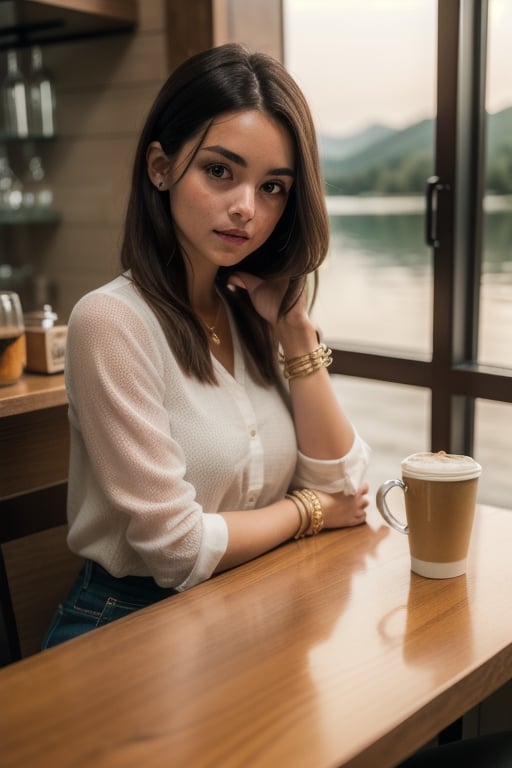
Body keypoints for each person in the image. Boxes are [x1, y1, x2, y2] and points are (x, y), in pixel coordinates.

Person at [42, 42, 371, 649]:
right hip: (124, 627)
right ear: (160, 167)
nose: (247, 208)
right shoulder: (111, 323)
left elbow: (347, 480)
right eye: (220, 171)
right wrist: (310, 512)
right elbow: (178, 549)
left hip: (248, 610)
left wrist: (296, 333)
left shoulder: (251, 310)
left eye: (273, 187)